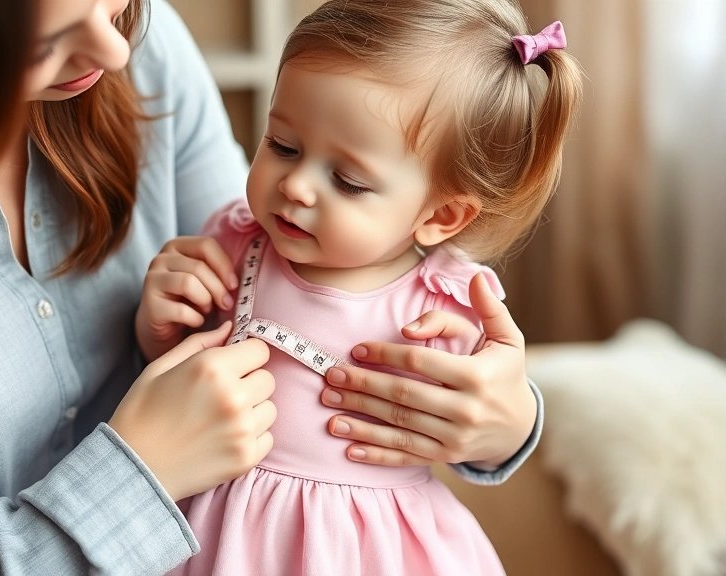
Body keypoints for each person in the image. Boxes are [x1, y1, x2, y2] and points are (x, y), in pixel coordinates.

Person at [0, 0, 544, 574]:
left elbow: (281, 277)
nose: (116, 52)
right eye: (51, 35)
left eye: (115, 4)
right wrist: (141, 468)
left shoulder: (137, 41)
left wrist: (505, 423)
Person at [135, 1, 582, 574]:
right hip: (211, 536)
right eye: (281, 145)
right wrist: (159, 332)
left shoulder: (448, 306)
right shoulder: (234, 242)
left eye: (347, 181)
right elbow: (180, 387)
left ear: (441, 216)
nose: (295, 185)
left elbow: (480, 428)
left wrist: (512, 422)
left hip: (369, 552)